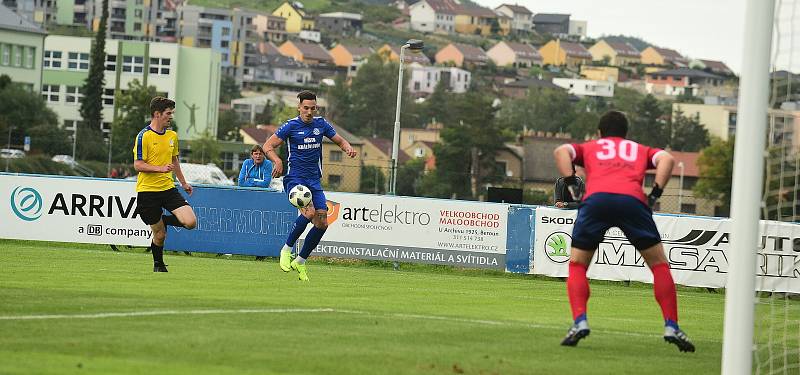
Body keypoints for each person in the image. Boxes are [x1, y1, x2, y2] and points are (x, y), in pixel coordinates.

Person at [552, 110, 695, 352]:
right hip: (632, 201)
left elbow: (560, 152)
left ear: (600, 133)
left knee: (577, 265)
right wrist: (655, 195)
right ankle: (671, 325)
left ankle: (580, 321)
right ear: (626, 134)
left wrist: (570, 183)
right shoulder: (638, 149)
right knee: (659, 265)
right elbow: (667, 160)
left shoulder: (590, 147)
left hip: (596, 200)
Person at [262, 90, 357, 281]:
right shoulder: (290, 126)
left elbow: (339, 140)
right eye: (306, 108)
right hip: (295, 179)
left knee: (322, 223)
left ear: (316, 108)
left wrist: (347, 147)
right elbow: (267, 146)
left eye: (313, 108)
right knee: (309, 212)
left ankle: (301, 260)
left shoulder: (321, 124)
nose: (309, 111)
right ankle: (286, 249)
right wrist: (276, 161)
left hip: (314, 181)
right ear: (299, 108)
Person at [133, 96, 198, 273]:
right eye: (168, 113)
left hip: (168, 189)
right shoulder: (143, 136)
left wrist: (183, 183)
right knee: (159, 235)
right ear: (157, 114)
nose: (171, 117)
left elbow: (174, 160)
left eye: (172, 113)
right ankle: (158, 265)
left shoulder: (172, 135)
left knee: (191, 222)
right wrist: (160, 168)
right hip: (147, 193)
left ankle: (164, 221)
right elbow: (138, 164)